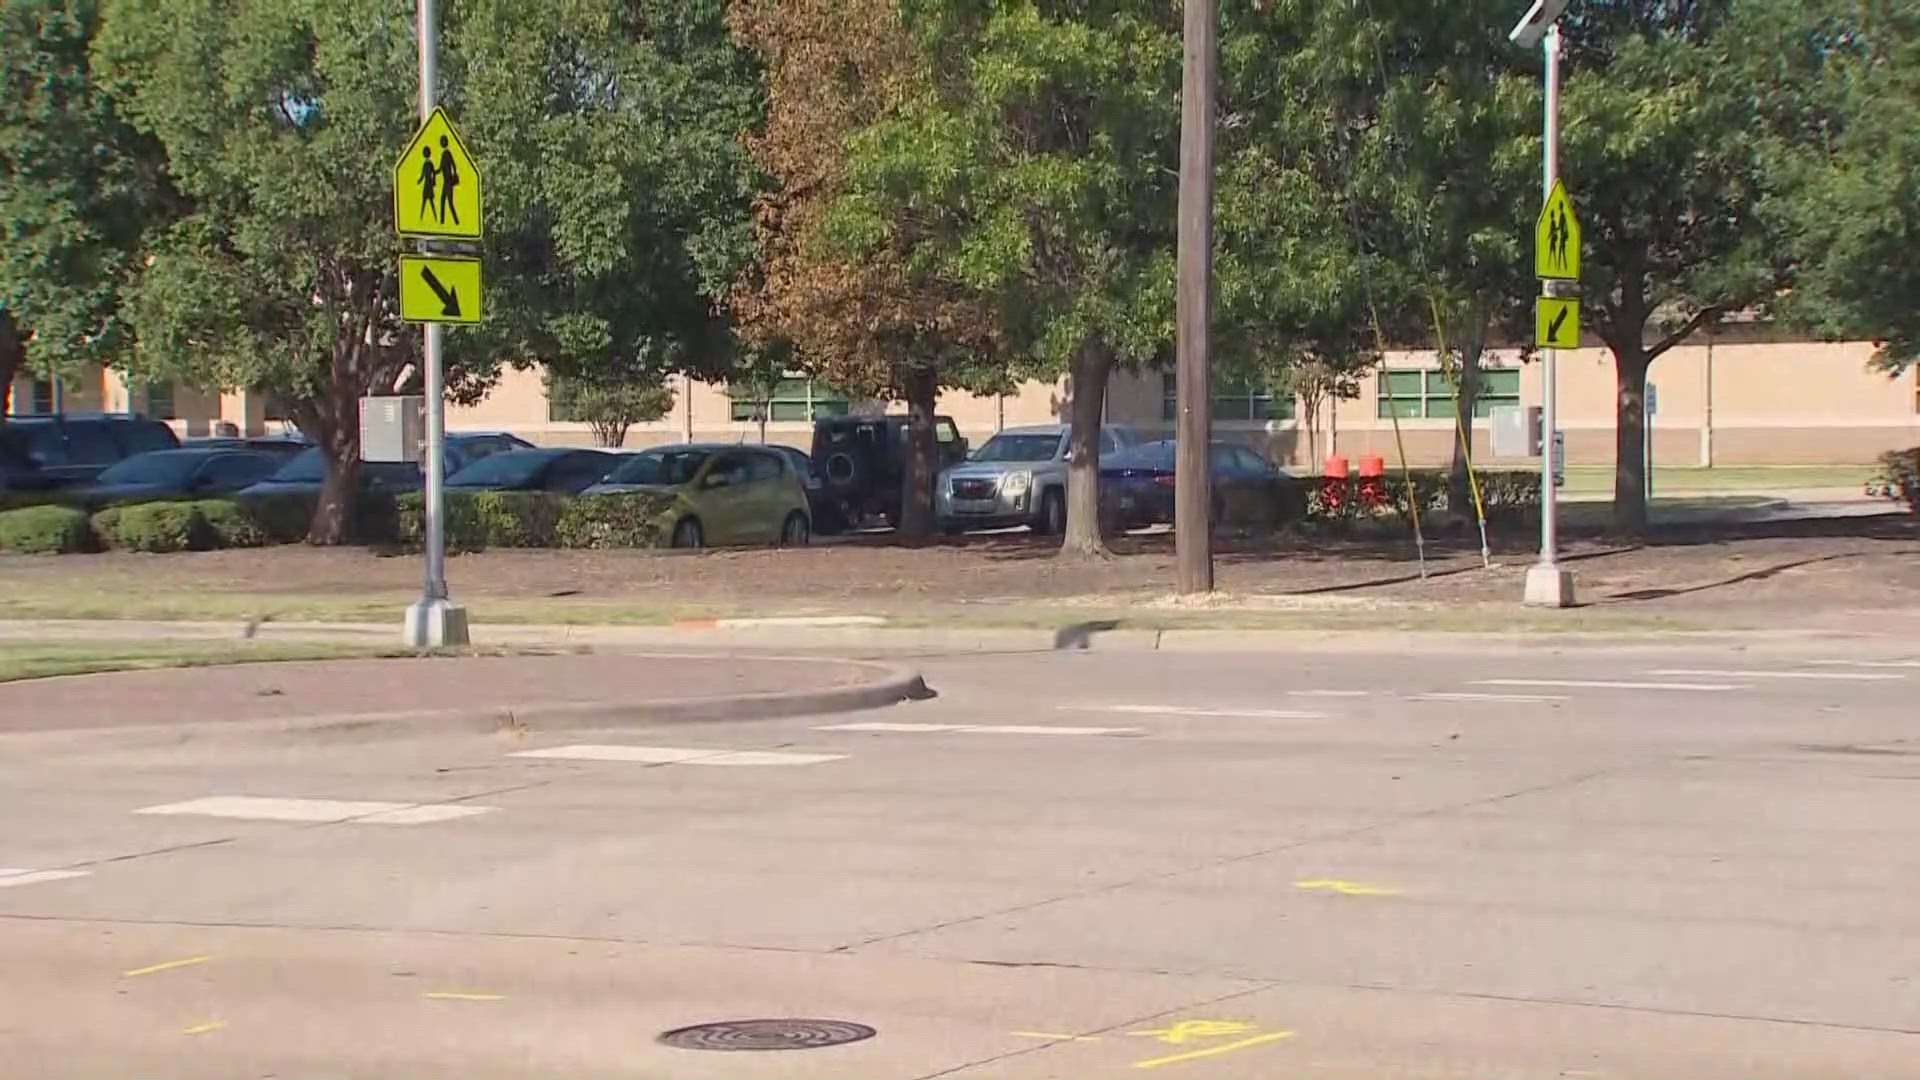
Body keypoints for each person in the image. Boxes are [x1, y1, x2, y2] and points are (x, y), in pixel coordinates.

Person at [437, 135, 461, 226]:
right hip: (446, 182)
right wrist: (434, 172)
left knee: (449, 202)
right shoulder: (444, 154)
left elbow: (454, 165)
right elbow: (440, 168)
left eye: (442, 142)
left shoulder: (447, 153)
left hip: (448, 182)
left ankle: (456, 221)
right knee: (443, 201)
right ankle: (442, 221)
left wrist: (454, 175)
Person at [416, 146, 438, 223]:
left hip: (428, 184)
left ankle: (434, 218)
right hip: (428, 184)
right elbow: (429, 174)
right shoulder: (428, 164)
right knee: (425, 201)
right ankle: (421, 217)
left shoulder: (427, 164)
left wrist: (434, 182)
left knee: (428, 202)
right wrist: (419, 181)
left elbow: (431, 173)